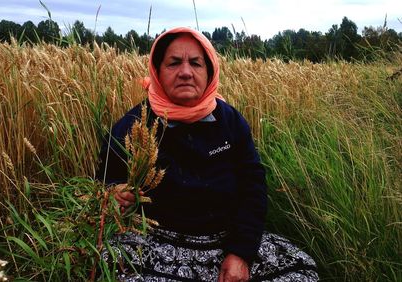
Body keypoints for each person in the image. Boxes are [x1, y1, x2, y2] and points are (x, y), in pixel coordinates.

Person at [97, 27, 318, 281]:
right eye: (174, 63)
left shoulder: (230, 121)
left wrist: (241, 253)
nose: (186, 72)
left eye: (196, 63)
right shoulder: (133, 125)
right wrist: (113, 194)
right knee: (110, 266)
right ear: (157, 72)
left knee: (301, 270)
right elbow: (106, 182)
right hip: (155, 244)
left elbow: (252, 188)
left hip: (226, 242)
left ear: (209, 71)